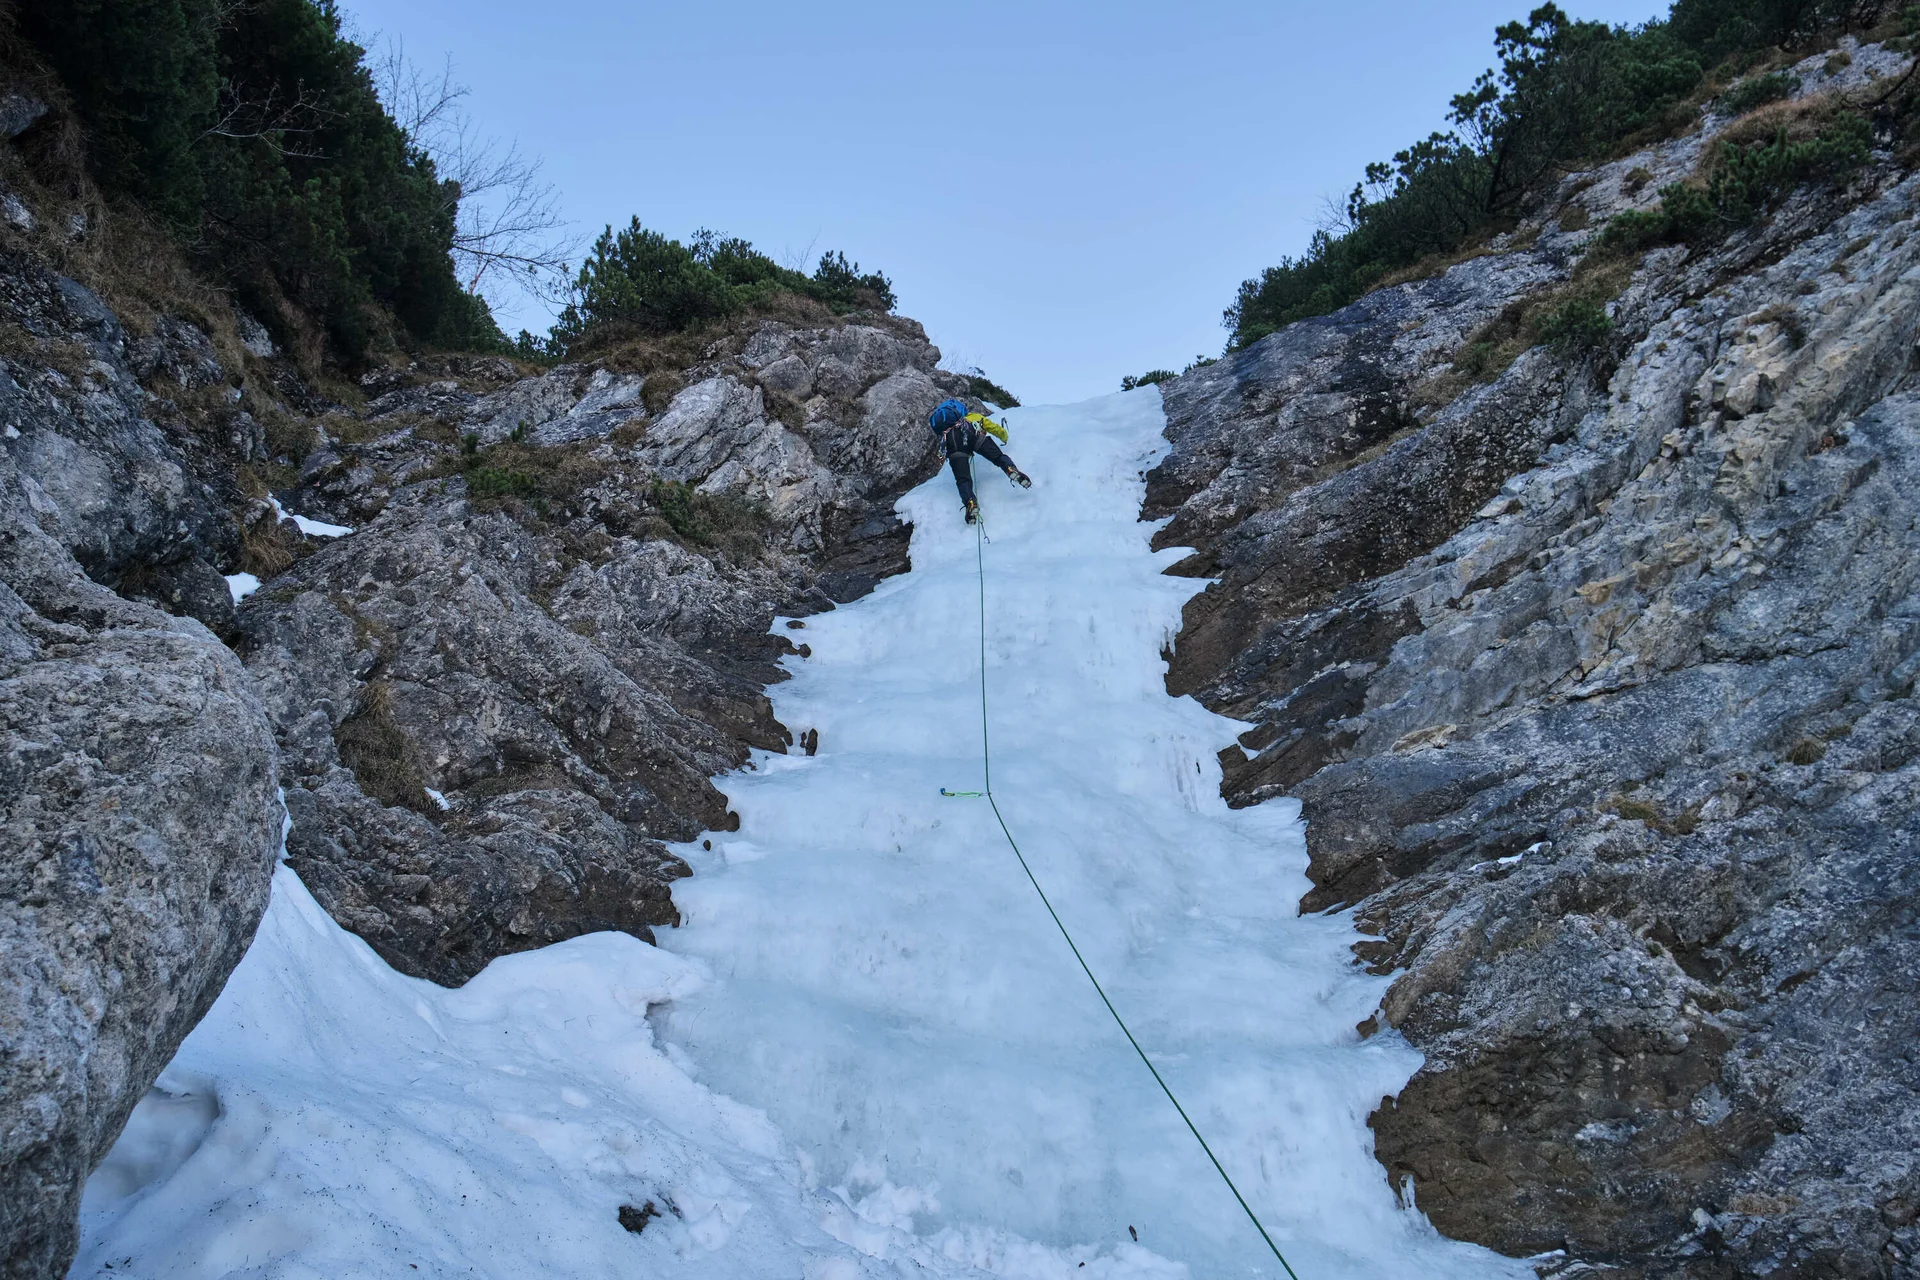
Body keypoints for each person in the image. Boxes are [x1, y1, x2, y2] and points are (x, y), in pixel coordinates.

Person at [926, 398, 1030, 524]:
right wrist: (1005, 437)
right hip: (974, 436)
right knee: (998, 458)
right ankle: (1010, 469)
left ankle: (970, 501)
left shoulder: (946, 433)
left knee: (963, 480)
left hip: (954, 446)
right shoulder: (973, 417)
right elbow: (994, 428)